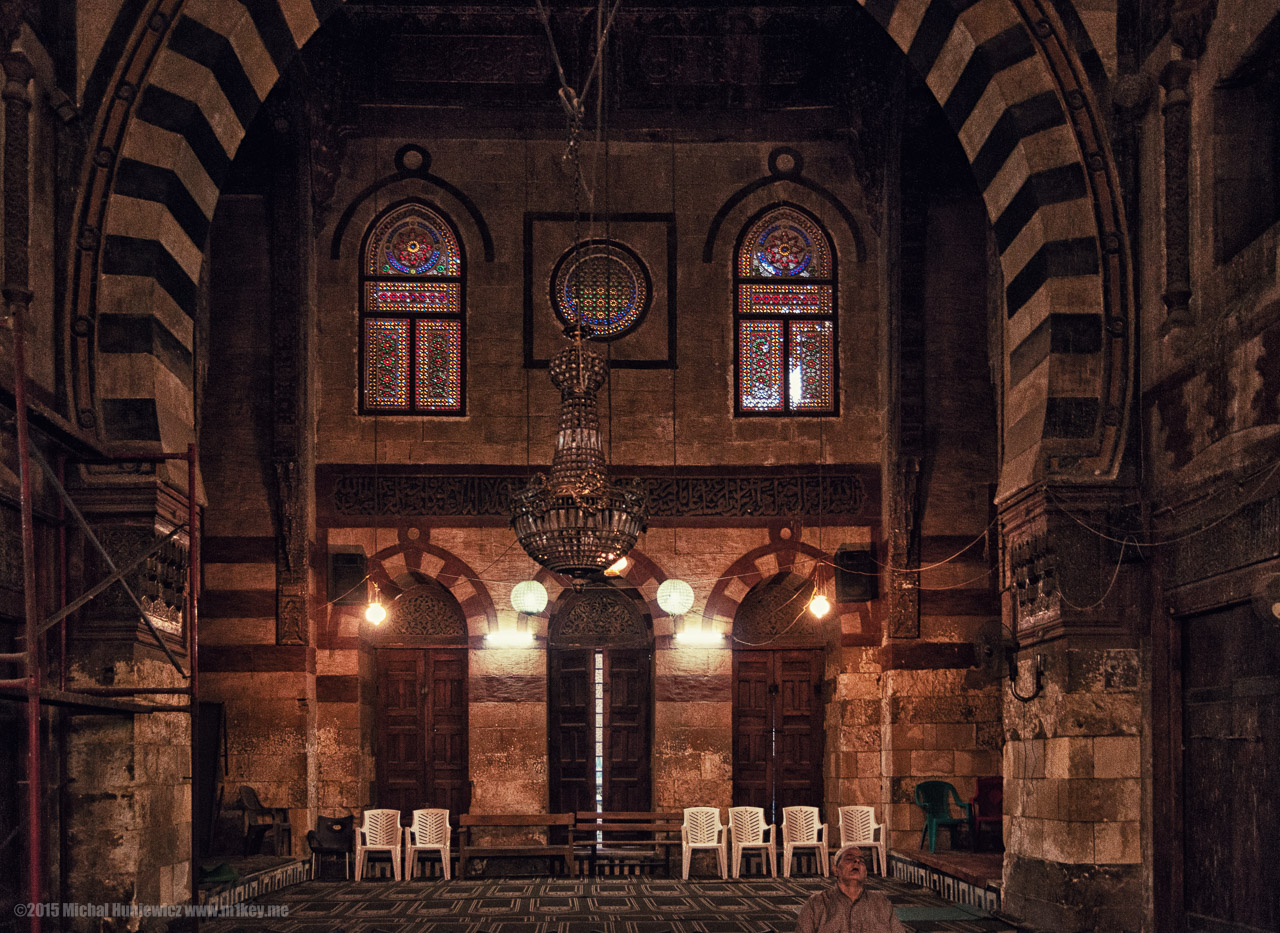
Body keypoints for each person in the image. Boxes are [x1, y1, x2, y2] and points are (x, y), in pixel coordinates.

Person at [793, 845, 907, 933]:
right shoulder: (817, 904)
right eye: (849, 859)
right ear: (836, 870)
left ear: (865, 873)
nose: (857, 861)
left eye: (861, 861)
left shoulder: (881, 904)